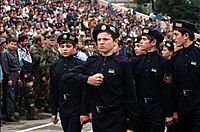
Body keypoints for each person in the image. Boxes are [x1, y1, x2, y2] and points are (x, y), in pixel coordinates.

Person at [63, 23, 138, 132]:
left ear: (115, 42)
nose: (101, 42)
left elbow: (130, 94)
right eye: (99, 39)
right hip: (98, 118)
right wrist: (87, 79)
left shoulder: (122, 63)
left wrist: (132, 125)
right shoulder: (92, 62)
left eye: (106, 39)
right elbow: (67, 77)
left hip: (117, 117)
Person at [132, 27, 173, 132]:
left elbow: (167, 89)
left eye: (144, 39)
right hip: (140, 108)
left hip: (157, 108)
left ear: (153, 42)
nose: (141, 42)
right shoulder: (137, 61)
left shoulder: (164, 62)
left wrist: (168, 113)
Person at [50, 33, 89, 132]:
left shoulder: (80, 65)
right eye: (62, 46)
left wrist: (84, 111)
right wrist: (54, 112)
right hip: (63, 104)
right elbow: (53, 89)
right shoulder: (55, 65)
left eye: (68, 46)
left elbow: (85, 90)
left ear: (75, 47)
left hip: (76, 103)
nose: (65, 49)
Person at [171, 20, 200, 132]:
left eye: (176, 34)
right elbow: (173, 85)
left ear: (186, 35)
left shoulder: (198, 54)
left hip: (197, 103)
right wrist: (173, 110)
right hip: (181, 104)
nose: (174, 38)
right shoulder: (175, 57)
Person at [1, 37, 21, 122]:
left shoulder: (14, 52)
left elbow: (17, 64)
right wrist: (9, 78)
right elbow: (5, 67)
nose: (13, 46)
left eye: (15, 44)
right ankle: (10, 115)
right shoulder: (5, 53)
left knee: (14, 95)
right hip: (10, 75)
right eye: (12, 44)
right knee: (10, 96)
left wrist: (18, 77)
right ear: (8, 44)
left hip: (15, 74)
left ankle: (9, 113)